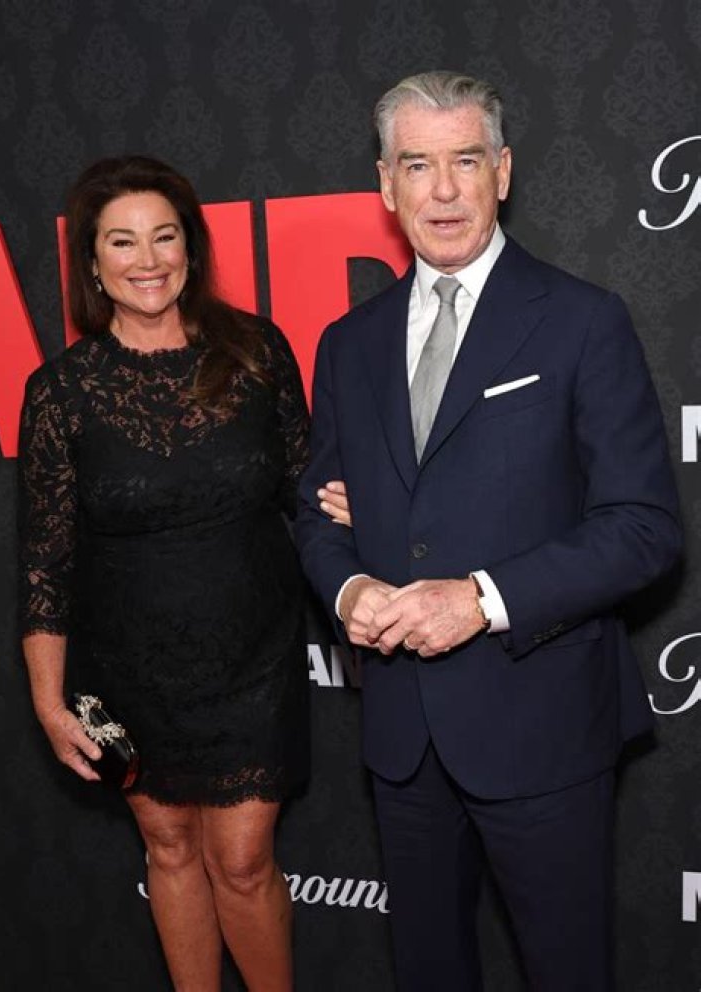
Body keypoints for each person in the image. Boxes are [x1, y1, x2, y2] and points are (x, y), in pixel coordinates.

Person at [296, 72, 682, 991]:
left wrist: (482, 599)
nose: (442, 190)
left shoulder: (582, 320)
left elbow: (644, 527)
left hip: (543, 723)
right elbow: (317, 507)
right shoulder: (348, 343)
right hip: (402, 736)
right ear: (384, 183)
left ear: (501, 172)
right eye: (416, 164)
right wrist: (348, 588)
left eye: (465, 161)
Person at [17, 155, 348, 992]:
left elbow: (308, 488)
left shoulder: (255, 353)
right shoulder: (61, 393)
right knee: (167, 847)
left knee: (242, 859)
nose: (148, 259)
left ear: (191, 250)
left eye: (164, 237)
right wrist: (50, 704)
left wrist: (369, 507)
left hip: (254, 658)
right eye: (122, 242)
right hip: (128, 669)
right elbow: (46, 562)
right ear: (92, 264)